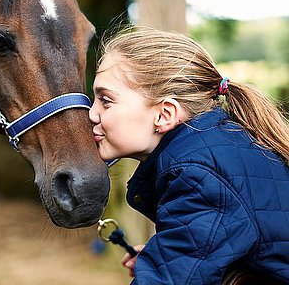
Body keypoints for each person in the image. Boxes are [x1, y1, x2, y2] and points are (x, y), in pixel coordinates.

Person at [89, 27, 289, 284]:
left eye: (106, 100)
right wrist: (165, 258)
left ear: (164, 115)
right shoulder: (216, 147)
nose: (92, 114)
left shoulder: (198, 175)